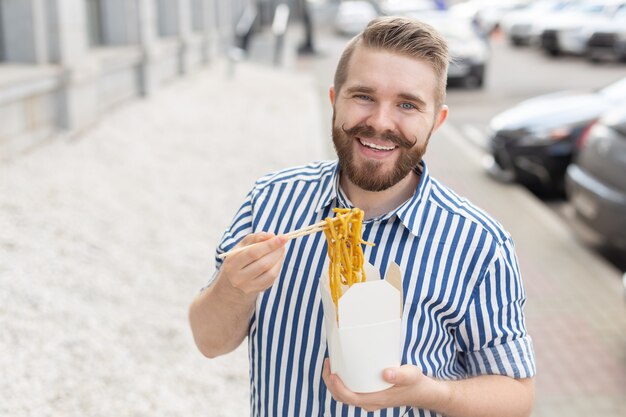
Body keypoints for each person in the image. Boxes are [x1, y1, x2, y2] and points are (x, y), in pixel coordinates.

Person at [189, 16, 536, 417]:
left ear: (436, 121)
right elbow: (209, 342)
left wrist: (430, 393)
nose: (380, 122)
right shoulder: (270, 201)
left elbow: (517, 397)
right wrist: (234, 288)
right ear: (334, 99)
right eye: (363, 96)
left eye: (407, 104)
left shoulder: (479, 243)